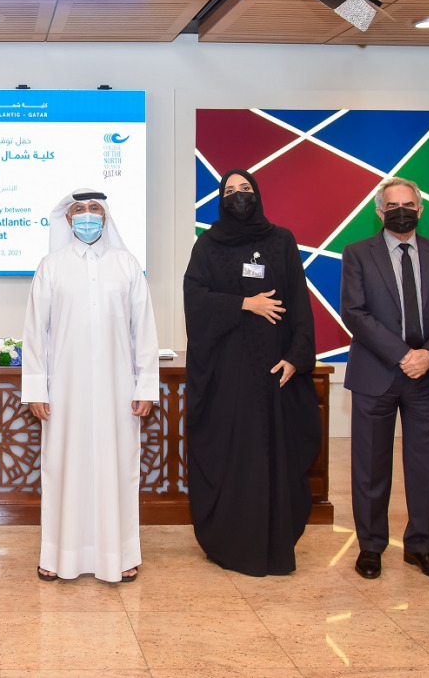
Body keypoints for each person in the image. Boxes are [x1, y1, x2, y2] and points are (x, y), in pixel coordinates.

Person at [182, 169, 320, 576]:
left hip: (274, 374)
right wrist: (245, 304)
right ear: (220, 199)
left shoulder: (281, 240)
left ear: (257, 195)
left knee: (274, 457)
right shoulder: (207, 244)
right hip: (227, 378)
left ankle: (274, 542)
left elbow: (298, 301)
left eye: (245, 189)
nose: (238, 195)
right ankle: (231, 541)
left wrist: (297, 357)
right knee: (234, 456)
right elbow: (195, 298)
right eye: (230, 190)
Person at [22, 189, 159, 583]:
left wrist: (145, 387)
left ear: (106, 217)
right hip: (63, 391)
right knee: (63, 467)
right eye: (78, 210)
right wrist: (36, 390)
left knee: (117, 468)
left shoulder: (127, 265)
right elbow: (36, 334)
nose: (86, 216)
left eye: (94, 210)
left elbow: (143, 331)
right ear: (67, 219)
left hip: (119, 391)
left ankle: (121, 554)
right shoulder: (51, 266)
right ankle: (57, 554)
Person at [340, 177, 429, 582]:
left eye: (408, 204)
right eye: (391, 205)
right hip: (377, 373)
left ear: (421, 208)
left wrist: (427, 356)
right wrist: (402, 355)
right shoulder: (357, 253)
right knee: (371, 467)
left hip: (427, 377)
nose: (400, 211)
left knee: (424, 466)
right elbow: (356, 313)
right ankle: (371, 548)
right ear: (379, 211)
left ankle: (420, 548)